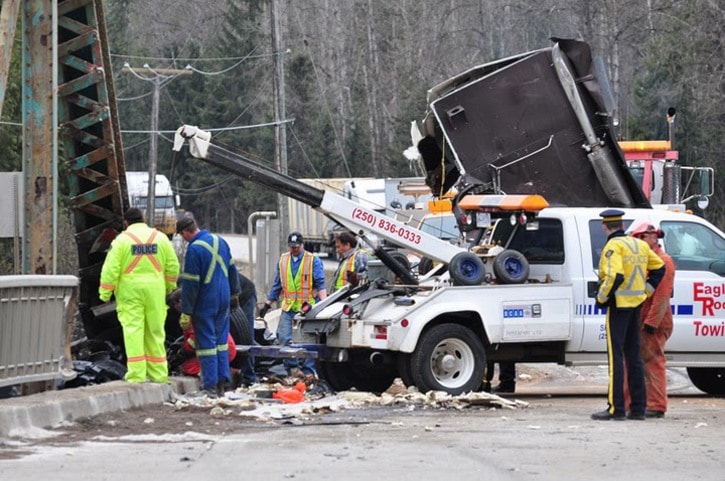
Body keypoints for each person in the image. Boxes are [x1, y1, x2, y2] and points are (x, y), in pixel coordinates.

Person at [591, 209, 665, 421]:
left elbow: (615, 276)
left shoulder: (613, 246)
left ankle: (617, 409)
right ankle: (639, 409)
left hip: (619, 307)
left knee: (616, 358)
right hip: (635, 307)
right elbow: (659, 268)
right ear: (621, 225)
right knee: (634, 357)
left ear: (605, 226)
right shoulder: (639, 244)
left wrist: (601, 299)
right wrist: (645, 293)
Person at [99, 207, 180, 383]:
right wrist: (169, 285)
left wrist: (105, 293)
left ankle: (137, 375)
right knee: (156, 331)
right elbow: (173, 265)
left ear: (126, 223)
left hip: (130, 292)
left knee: (133, 330)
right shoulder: (159, 238)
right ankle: (159, 375)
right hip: (155, 291)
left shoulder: (121, 241)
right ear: (143, 219)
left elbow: (110, 269)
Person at [177, 216, 240, 396]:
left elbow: (191, 284)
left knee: (206, 344)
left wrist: (186, 311)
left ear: (184, 233)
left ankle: (210, 386)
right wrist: (234, 293)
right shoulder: (220, 241)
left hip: (206, 301)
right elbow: (232, 269)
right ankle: (224, 383)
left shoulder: (194, 250)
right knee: (221, 342)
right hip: (223, 299)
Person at [259, 232, 327, 376]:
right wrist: (267, 303)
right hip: (289, 308)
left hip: (307, 309)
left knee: (308, 341)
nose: (294, 249)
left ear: (302, 245)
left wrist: (324, 304)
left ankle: (308, 372)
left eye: (296, 247)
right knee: (283, 337)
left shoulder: (312, 260)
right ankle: (293, 369)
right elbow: (277, 285)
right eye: (291, 247)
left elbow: (320, 284)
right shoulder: (283, 260)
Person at [627, 220, 675, 418]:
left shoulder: (663, 261)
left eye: (639, 238)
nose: (637, 243)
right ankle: (646, 402)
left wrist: (651, 323)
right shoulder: (648, 259)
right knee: (644, 361)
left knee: (653, 361)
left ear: (652, 237)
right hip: (645, 319)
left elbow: (662, 296)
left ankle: (656, 405)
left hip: (654, 322)